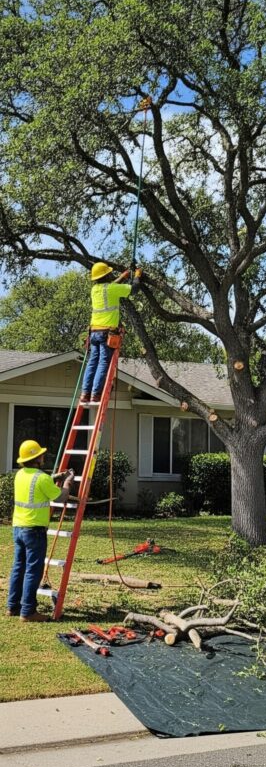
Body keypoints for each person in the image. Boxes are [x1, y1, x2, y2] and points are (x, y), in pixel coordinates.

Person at [8, 440, 74, 622]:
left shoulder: (20, 474)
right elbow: (61, 497)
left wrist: (57, 476)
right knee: (33, 570)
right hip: (34, 531)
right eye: (41, 454)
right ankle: (28, 611)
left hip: (18, 528)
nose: (44, 456)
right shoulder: (42, 478)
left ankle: (13, 607)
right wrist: (67, 481)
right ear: (37, 458)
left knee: (18, 567)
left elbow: (35, 483)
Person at [81, 262, 142, 404]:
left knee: (92, 362)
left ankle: (85, 393)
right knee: (103, 362)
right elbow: (133, 290)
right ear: (107, 274)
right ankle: (96, 393)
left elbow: (109, 288)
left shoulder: (95, 290)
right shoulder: (112, 289)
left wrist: (123, 276)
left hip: (94, 332)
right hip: (105, 333)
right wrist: (137, 276)